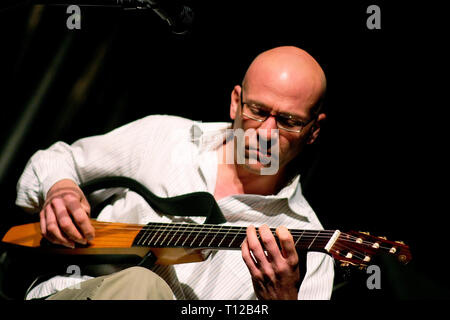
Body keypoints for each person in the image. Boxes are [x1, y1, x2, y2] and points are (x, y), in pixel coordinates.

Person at [15, 45, 334, 300]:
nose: (266, 133)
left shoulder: (311, 251)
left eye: (289, 122)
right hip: (74, 293)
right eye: (258, 111)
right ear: (236, 102)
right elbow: (52, 161)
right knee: (143, 286)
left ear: (314, 131)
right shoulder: (164, 138)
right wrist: (61, 189)